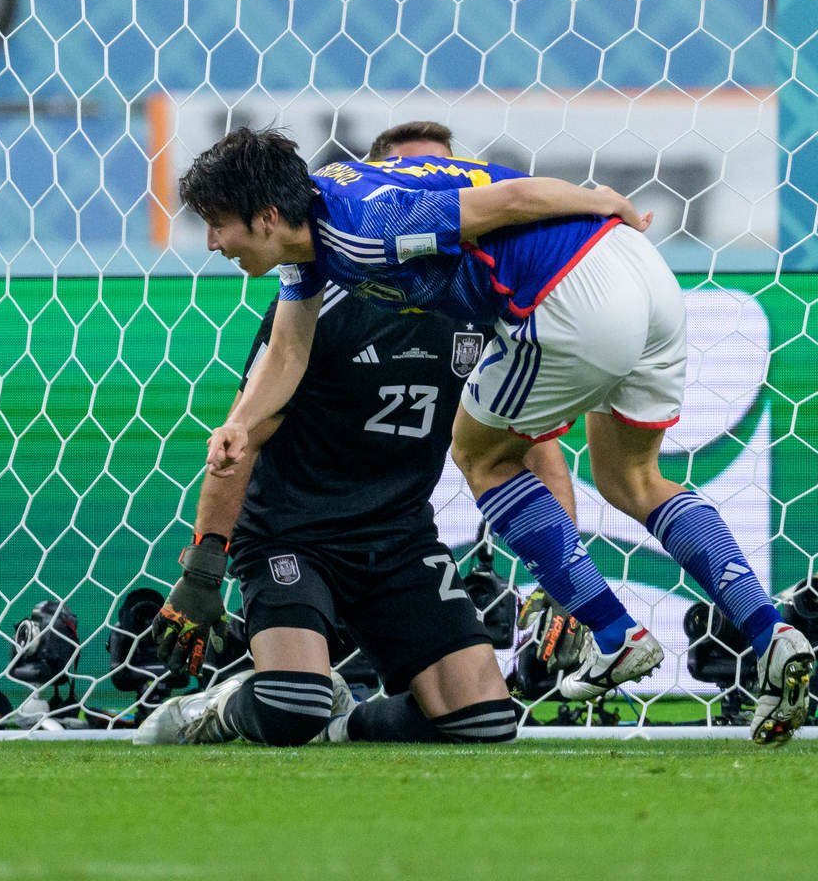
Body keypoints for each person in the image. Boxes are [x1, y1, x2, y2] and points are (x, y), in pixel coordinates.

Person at [174, 126, 814, 745]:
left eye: (217, 222)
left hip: (571, 287)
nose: (209, 242)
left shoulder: (366, 227)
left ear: (263, 216)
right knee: (633, 479)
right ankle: (770, 633)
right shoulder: (314, 241)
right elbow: (287, 350)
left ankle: (616, 634)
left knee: (480, 456)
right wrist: (238, 423)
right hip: (646, 280)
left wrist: (605, 199)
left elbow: (511, 200)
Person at [137, 122, 577, 748]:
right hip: (294, 536)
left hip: (397, 538)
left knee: (483, 721)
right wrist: (205, 569)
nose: (432, 191)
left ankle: (345, 722)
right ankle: (225, 706)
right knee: (291, 706)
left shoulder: (482, 304)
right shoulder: (312, 297)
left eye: (446, 176)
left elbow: (537, 451)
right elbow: (242, 439)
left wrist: (565, 582)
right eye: (406, 177)